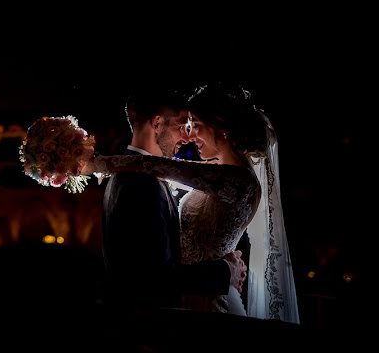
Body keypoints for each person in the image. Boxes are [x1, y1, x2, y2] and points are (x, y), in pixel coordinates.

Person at [87, 85, 299, 322]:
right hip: (186, 297)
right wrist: (226, 269)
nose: (190, 136)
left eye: (195, 125)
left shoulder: (240, 181)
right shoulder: (202, 174)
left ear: (221, 128)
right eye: (186, 126)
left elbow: (159, 167)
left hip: (211, 300)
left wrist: (98, 164)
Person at [96, 88, 246, 311]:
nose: (187, 138)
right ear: (157, 124)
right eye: (181, 126)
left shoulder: (129, 173)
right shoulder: (140, 184)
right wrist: (225, 271)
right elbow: (155, 277)